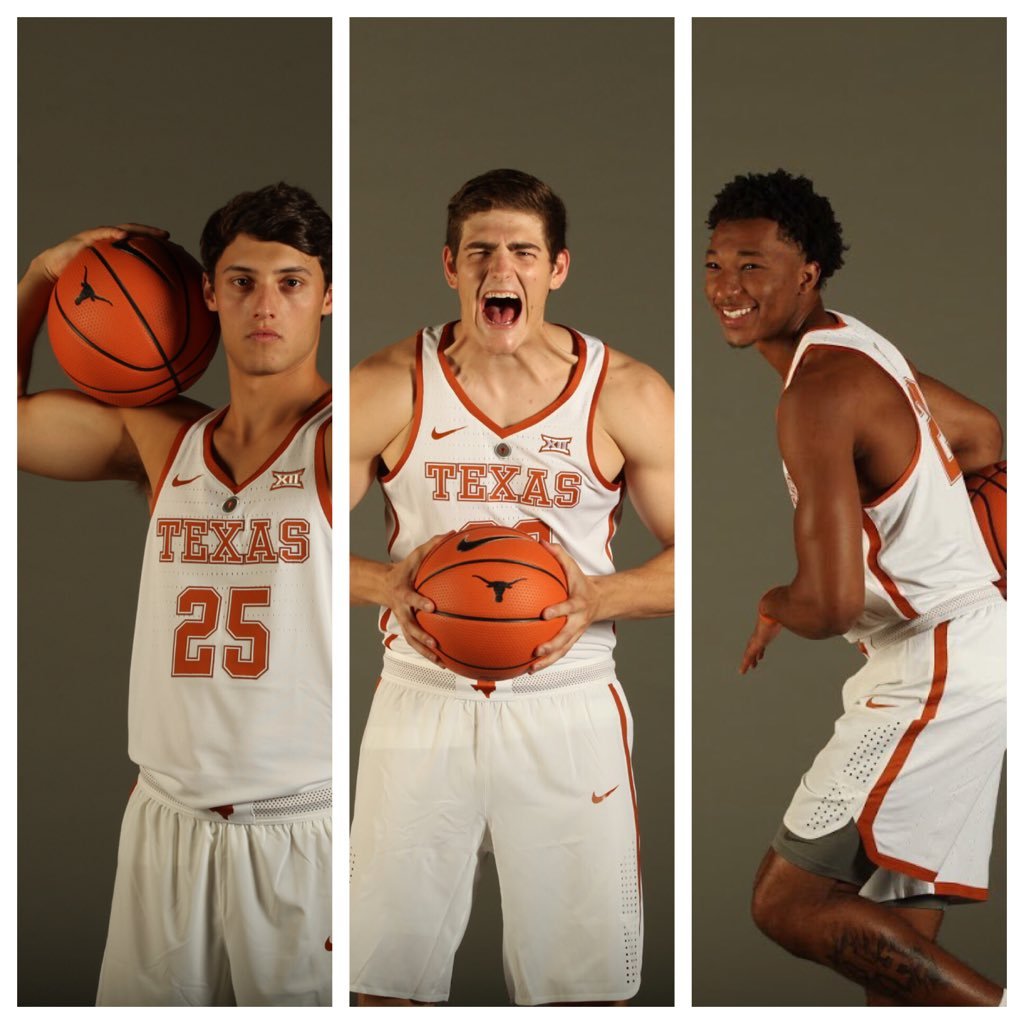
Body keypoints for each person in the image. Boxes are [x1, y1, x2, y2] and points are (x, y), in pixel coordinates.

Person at [349, 168, 674, 1006]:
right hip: (421, 698)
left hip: (565, 703)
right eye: (482, 251)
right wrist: (385, 580)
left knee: (580, 990)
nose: (502, 270)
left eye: (522, 252)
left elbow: (705, 558)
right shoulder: (386, 385)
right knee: (380, 981)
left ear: (556, 269)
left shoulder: (626, 392)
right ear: (449, 265)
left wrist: (601, 596)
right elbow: (282, 542)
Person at [17, 183, 333, 1006]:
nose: (265, 304)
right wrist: (42, 278)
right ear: (207, 295)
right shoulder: (165, 440)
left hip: (300, 824)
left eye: (291, 281)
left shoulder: (354, 439)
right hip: (165, 817)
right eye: (241, 281)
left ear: (327, 296)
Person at [703, 169, 1006, 1006]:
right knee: (892, 951)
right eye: (715, 265)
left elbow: (828, 602)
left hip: (935, 666)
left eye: (753, 266)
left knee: (788, 902)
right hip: (969, 648)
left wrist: (772, 600)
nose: (727, 287)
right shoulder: (855, 343)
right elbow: (982, 436)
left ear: (807, 273)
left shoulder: (816, 392)